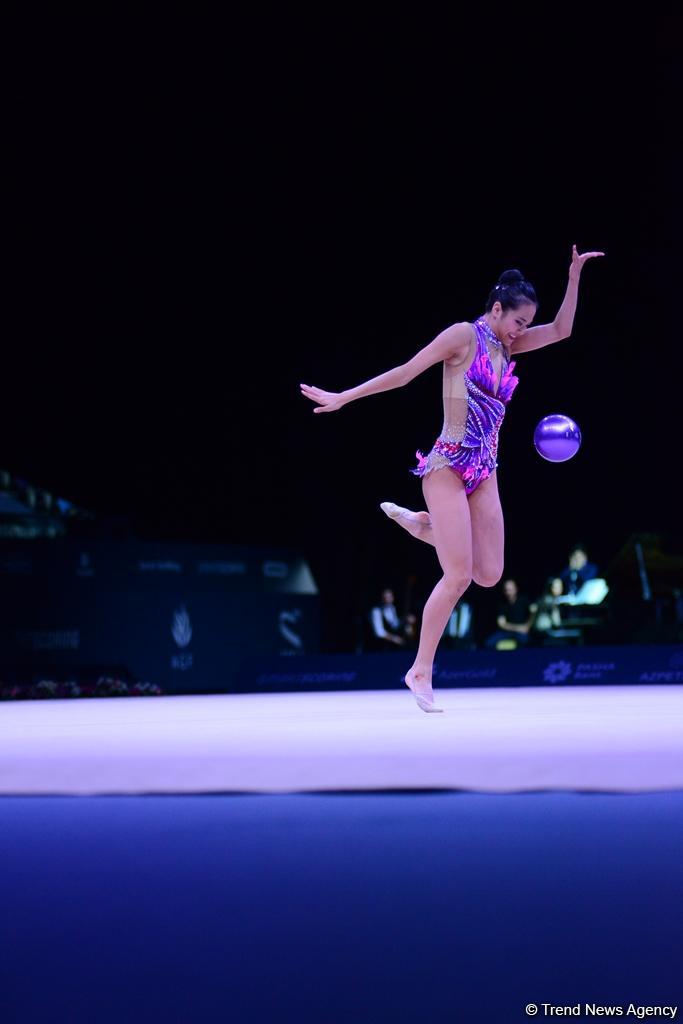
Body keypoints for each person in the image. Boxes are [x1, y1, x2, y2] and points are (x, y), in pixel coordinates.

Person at [300, 245, 604, 712]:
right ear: (497, 309)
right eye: (518, 322)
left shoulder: (510, 346)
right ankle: (420, 670)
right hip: (446, 465)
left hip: (485, 472)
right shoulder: (464, 336)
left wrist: (575, 276)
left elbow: (563, 330)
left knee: (489, 574)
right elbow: (404, 374)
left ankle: (425, 527)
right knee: (459, 574)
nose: (521, 332)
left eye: (526, 325)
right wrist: (345, 396)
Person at [485, 578, 534, 649]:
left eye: (510, 589)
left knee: (526, 641)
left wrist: (528, 625)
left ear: (516, 589)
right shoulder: (502, 604)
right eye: (506, 590)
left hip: (522, 632)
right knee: (489, 643)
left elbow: (534, 613)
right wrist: (519, 628)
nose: (508, 592)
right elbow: (502, 624)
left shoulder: (524, 600)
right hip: (507, 632)